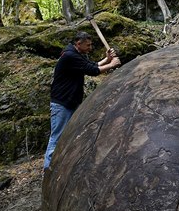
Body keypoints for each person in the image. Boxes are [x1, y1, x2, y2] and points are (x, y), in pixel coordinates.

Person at [43, 31, 121, 171]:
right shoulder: (69, 55)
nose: (90, 48)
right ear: (79, 44)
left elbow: (90, 65)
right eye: (88, 45)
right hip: (62, 103)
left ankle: (63, 164)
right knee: (57, 136)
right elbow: (92, 70)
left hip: (71, 101)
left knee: (70, 134)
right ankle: (48, 168)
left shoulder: (75, 53)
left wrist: (107, 59)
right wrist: (112, 64)